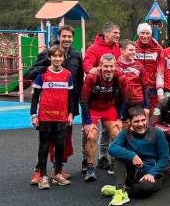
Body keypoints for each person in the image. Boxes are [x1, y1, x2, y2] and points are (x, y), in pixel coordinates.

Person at [26, 25, 83, 177]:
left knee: (63, 139)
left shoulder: (76, 55)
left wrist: (76, 105)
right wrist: (47, 67)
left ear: (73, 38)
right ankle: (40, 170)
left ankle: (58, 168)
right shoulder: (48, 54)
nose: (67, 39)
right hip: (49, 107)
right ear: (59, 36)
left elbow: (79, 80)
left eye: (69, 37)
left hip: (68, 104)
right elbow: (30, 73)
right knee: (46, 141)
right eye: (64, 36)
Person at [102, 106, 169, 206]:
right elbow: (112, 149)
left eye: (143, 120)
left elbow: (165, 158)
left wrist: (152, 173)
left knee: (146, 188)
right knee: (119, 155)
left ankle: (121, 190)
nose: (141, 124)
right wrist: (132, 155)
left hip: (150, 173)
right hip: (132, 172)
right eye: (136, 121)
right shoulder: (125, 133)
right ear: (129, 122)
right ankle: (120, 190)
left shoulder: (157, 133)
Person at [30, 46, 75, 189]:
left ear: (63, 58)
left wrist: (70, 113)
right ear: (50, 58)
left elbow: (70, 97)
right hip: (45, 117)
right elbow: (35, 96)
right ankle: (43, 176)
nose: (57, 59)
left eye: (60, 56)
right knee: (43, 147)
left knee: (60, 145)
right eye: (54, 56)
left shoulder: (68, 74)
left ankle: (56, 173)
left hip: (62, 117)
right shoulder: (42, 74)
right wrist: (33, 114)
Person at [82, 22, 122, 174]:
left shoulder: (117, 47)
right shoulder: (94, 48)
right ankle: (87, 164)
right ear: (107, 34)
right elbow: (87, 64)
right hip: (95, 98)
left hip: (110, 100)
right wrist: (91, 70)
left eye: (119, 33)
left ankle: (109, 161)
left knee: (114, 132)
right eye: (115, 33)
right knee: (90, 133)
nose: (118, 36)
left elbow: (120, 65)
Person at [80, 54, 125, 182]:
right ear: (100, 66)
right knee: (91, 135)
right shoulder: (92, 77)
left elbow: (125, 99)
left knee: (116, 133)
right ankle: (90, 168)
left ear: (115, 66)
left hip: (108, 108)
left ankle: (114, 163)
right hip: (92, 108)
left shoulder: (120, 77)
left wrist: (120, 118)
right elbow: (83, 101)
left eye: (111, 66)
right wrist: (88, 122)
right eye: (105, 66)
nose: (108, 69)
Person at [116, 40, 149, 118]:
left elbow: (145, 87)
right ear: (122, 51)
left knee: (138, 125)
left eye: (135, 50)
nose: (134, 52)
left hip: (137, 102)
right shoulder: (115, 65)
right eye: (131, 50)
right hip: (120, 102)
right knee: (123, 126)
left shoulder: (139, 66)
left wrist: (147, 106)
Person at [134, 23, 163, 109]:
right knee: (138, 113)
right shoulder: (133, 47)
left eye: (147, 33)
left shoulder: (158, 48)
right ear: (138, 34)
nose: (145, 36)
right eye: (142, 33)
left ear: (151, 34)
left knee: (152, 114)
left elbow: (162, 68)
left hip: (152, 86)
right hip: (137, 86)